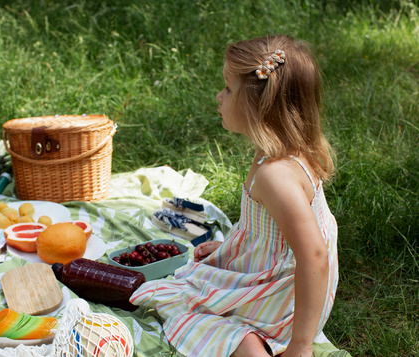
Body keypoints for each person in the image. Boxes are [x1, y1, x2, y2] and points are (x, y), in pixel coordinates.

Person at [130, 34, 338, 357]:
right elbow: (270, 232)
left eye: (228, 89)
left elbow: (313, 256)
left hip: (288, 299)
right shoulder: (278, 151)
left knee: (187, 309)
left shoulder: (275, 176)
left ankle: (251, 345)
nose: (218, 96)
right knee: (192, 289)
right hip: (284, 282)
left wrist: (302, 344)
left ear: (258, 106)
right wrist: (234, 248)